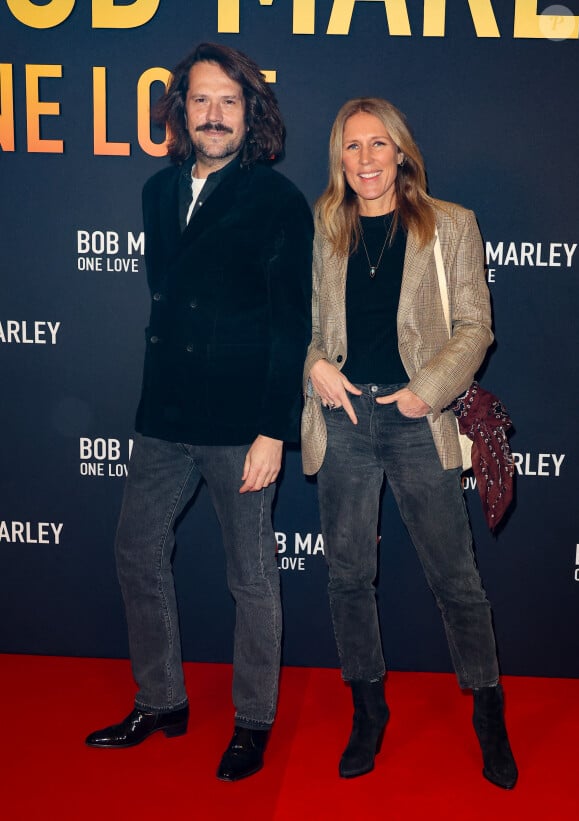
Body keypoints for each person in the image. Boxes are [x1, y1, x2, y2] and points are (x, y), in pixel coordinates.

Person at [85, 43, 312, 782]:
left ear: (253, 112)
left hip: (242, 424)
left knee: (250, 576)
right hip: (163, 415)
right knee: (135, 550)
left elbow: (289, 328)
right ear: (181, 108)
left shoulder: (277, 202)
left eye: (229, 101)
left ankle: (253, 721)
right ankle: (161, 699)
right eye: (202, 100)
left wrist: (274, 429)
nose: (214, 115)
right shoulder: (156, 190)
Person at [301, 98, 517, 788]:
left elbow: (476, 327)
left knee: (456, 577)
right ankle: (368, 710)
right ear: (340, 157)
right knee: (346, 577)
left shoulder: (450, 224)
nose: (365, 159)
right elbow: (300, 324)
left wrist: (429, 387)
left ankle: (489, 712)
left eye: (377, 144)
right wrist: (313, 365)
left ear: (401, 152)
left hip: (419, 417)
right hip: (344, 420)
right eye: (352, 146)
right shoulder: (324, 226)